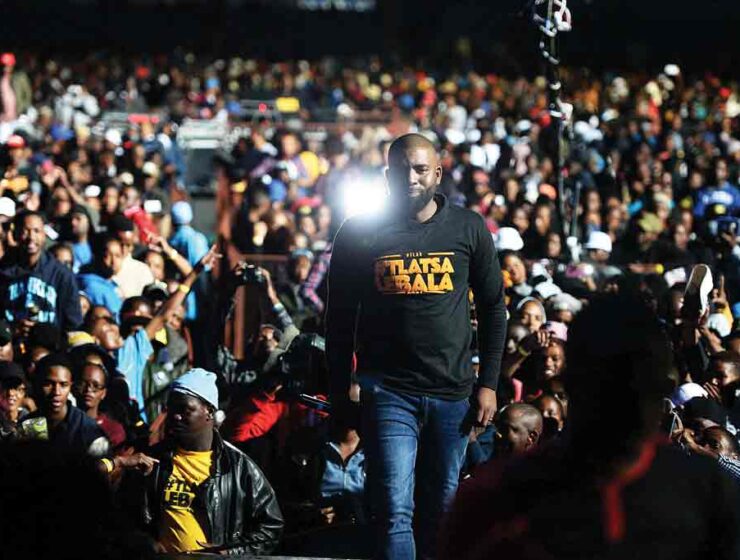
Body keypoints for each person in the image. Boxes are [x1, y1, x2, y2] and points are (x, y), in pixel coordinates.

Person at [442, 293, 740, 560]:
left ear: (661, 392)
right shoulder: (497, 501)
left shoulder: (709, 496)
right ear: (571, 383)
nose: (622, 399)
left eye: (637, 383)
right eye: (604, 381)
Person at [327, 133, 507, 560]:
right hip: (388, 391)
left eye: (421, 169)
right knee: (393, 509)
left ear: (438, 173)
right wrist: (338, 386)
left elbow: (494, 308)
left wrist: (488, 382)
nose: (411, 178)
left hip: (453, 392)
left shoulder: (468, 227)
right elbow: (338, 318)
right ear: (387, 175)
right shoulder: (358, 231)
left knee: (441, 511)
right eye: (401, 170)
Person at [122, 368, 284, 554]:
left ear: (209, 411)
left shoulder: (237, 467)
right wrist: (146, 542)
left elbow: (271, 528)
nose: (175, 416)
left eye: (185, 409)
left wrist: (229, 553)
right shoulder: (152, 461)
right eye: (172, 409)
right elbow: (123, 518)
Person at [0, 211, 82, 332]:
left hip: (49, 342)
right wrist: (11, 328)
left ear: (44, 234)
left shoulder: (61, 275)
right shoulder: (4, 270)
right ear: (16, 234)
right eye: (25, 231)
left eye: (36, 231)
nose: (31, 237)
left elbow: (73, 323)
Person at [18, 353, 109, 457]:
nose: (56, 392)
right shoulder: (29, 425)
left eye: (63, 385)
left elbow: (104, 464)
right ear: (38, 384)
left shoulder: (87, 429)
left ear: (71, 386)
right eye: (49, 384)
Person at [73, 360, 126, 449]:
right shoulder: (63, 423)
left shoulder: (113, 430)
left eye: (96, 386)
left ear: (103, 393)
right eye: (83, 383)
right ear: (74, 387)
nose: (88, 389)